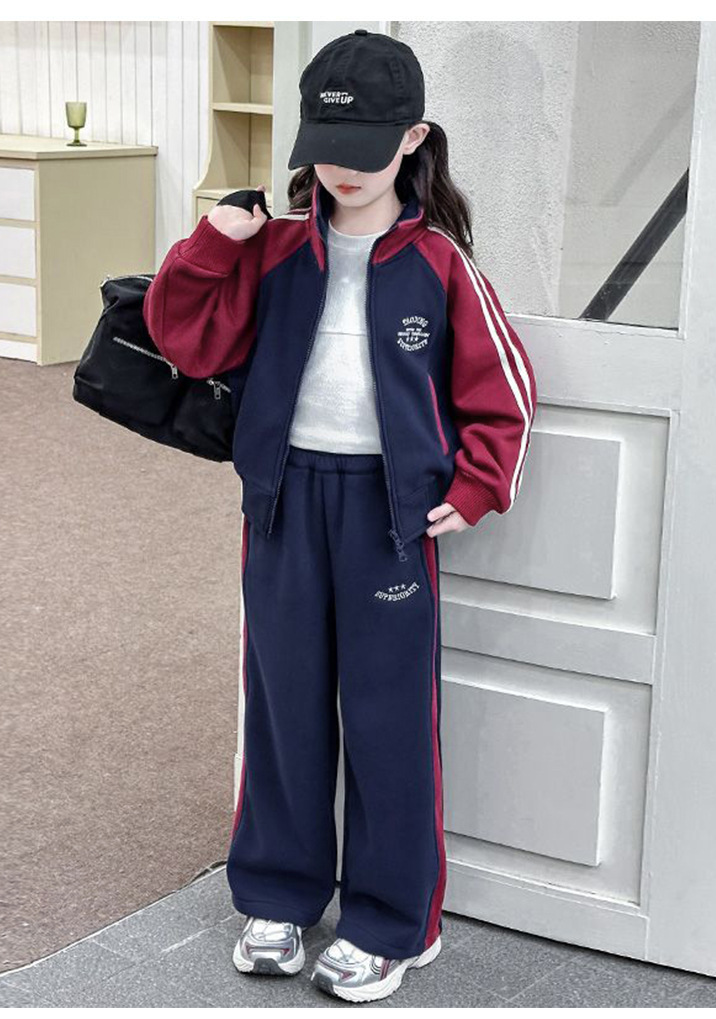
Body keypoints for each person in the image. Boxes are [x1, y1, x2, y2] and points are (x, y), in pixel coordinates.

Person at [143, 28, 537, 1005]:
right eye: (325, 148)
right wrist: (212, 243)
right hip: (283, 506)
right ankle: (277, 896)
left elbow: (506, 390)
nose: (341, 170)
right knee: (281, 708)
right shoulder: (275, 248)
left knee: (389, 722)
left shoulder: (440, 264)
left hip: (388, 519)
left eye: (364, 149)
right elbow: (184, 339)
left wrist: (476, 486)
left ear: (413, 140)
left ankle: (392, 921)